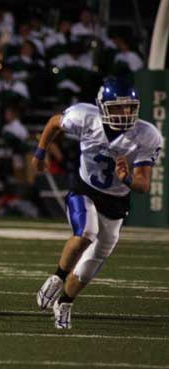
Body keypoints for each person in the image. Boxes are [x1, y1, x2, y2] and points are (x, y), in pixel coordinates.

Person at [33, 77, 162, 329]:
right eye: (117, 107)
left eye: (129, 107)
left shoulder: (146, 134)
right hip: (86, 190)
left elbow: (143, 185)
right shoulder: (85, 116)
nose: (124, 113)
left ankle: (65, 303)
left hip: (116, 202)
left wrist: (126, 179)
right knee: (86, 232)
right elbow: (53, 123)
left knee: (90, 265)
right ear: (102, 107)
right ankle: (57, 276)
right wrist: (40, 153)